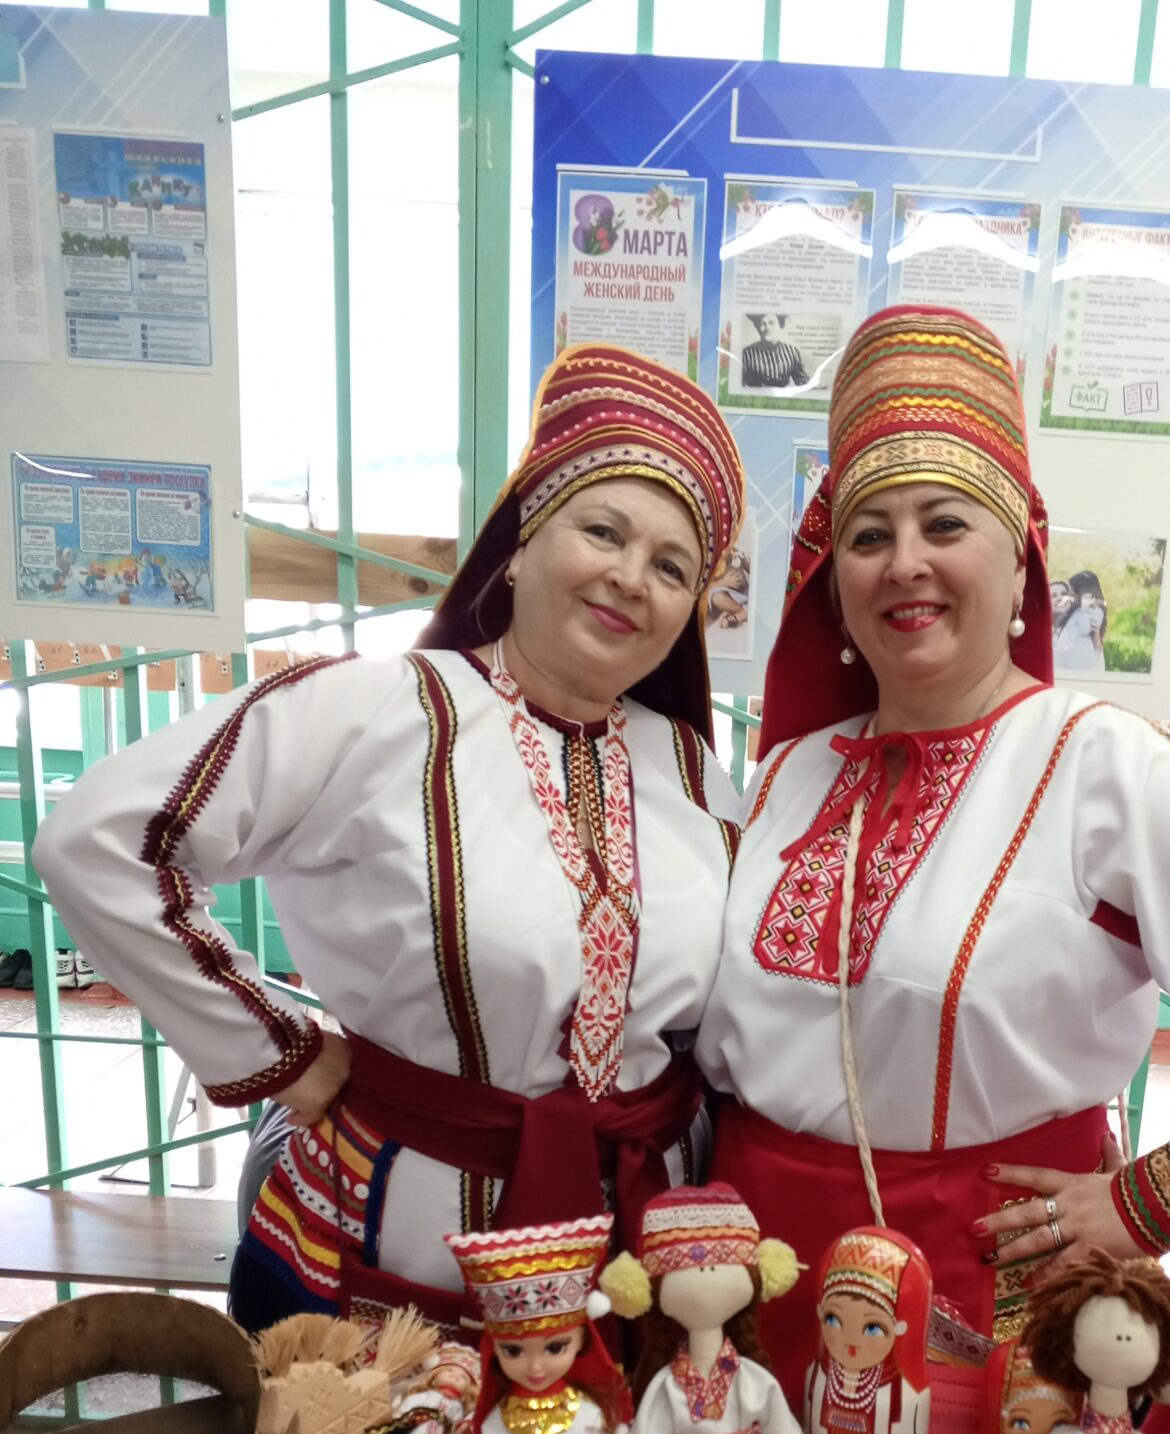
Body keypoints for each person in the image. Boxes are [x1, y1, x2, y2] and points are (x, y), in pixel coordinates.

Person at [696, 304, 1170, 1434]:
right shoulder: (790, 771)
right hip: (755, 1276)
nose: (904, 563)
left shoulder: (1096, 760)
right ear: (832, 580)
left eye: (943, 524)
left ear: (1020, 561)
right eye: (869, 534)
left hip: (981, 1276)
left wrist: (1154, 1197)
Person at [34, 346, 746, 1334]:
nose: (632, 577)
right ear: (521, 542)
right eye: (603, 530)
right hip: (392, 1248)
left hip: (630, 1257)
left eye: (673, 566)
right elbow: (97, 838)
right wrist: (278, 1047)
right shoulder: (378, 710)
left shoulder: (692, 769)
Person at [1053, 570, 1107, 674]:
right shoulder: (1076, 610)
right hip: (1067, 659)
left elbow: (1084, 629)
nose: (1069, 594)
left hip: (1081, 660)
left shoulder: (1095, 611)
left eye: (1072, 590)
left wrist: (1085, 607)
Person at [742, 312, 810, 390]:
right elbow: (741, 384)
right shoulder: (747, 354)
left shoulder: (792, 351)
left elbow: (802, 380)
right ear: (757, 327)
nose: (767, 328)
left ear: (780, 325)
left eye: (771, 323)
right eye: (762, 324)